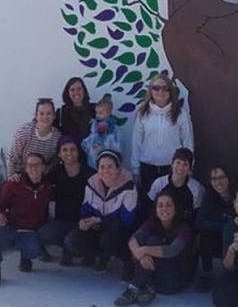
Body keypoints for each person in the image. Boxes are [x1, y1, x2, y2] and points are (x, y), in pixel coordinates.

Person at [114, 191, 195, 307]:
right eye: (160, 205)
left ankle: (140, 285)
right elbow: (133, 239)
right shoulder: (152, 222)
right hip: (155, 269)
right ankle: (141, 286)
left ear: (176, 208)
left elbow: (173, 250)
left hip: (175, 276)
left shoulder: (184, 228)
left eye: (168, 205)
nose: (164, 209)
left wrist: (145, 250)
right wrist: (141, 255)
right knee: (152, 240)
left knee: (152, 243)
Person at [65, 149, 138, 276]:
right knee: (73, 240)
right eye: (102, 167)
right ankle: (102, 255)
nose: (106, 171)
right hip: (98, 227)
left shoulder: (128, 187)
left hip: (120, 230)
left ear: (118, 168)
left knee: (108, 240)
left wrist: (100, 220)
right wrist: (84, 222)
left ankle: (128, 261)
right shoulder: (92, 183)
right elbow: (86, 210)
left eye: (110, 167)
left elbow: (127, 221)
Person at [0, 152, 53, 287]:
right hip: (11, 227)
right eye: (29, 165)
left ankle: (26, 256)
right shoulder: (13, 184)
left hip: (31, 231)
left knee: (34, 251)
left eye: (37, 165)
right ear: (25, 168)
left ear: (43, 167)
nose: (33, 168)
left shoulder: (47, 187)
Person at [131, 73, 194, 205]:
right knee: (148, 206)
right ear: (151, 91)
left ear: (170, 91)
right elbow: (136, 143)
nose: (160, 91)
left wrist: (188, 167)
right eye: (156, 88)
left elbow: (188, 142)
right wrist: (135, 169)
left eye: (165, 88)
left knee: (170, 206)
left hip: (172, 169)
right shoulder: (143, 113)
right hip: (147, 168)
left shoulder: (180, 113)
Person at [39, 137, 96, 266]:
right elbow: (39, 184)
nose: (69, 153)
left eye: (72, 150)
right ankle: (67, 249)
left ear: (78, 152)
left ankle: (89, 251)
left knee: (74, 241)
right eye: (64, 150)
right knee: (44, 233)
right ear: (59, 154)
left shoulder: (90, 173)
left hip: (85, 223)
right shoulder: (55, 172)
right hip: (63, 221)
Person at [194, 165, 234, 292]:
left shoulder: (237, 195)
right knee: (205, 236)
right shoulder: (209, 197)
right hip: (217, 238)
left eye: (222, 177)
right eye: (214, 179)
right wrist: (226, 225)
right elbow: (199, 222)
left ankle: (231, 274)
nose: (218, 182)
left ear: (228, 179)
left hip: (235, 239)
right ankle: (207, 274)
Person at [146, 147, 204, 225]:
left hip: (183, 228)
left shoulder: (196, 188)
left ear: (190, 168)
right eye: (178, 163)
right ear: (172, 164)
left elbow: (195, 215)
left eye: (185, 165)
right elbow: (149, 208)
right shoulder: (159, 183)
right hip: (159, 225)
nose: (180, 168)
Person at [6, 98, 62, 177]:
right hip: (20, 175)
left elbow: (54, 161)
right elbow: (12, 157)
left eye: (49, 113)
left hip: (41, 177)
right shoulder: (25, 132)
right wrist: (12, 176)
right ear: (36, 116)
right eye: (41, 114)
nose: (45, 117)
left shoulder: (57, 137)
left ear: (54, 116)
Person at [81, 97, 120, 168]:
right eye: (97, 113)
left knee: (98, 157)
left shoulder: (104, 123)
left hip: (102, 143)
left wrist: (98, 142)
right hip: (100, 142)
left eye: (100, 113)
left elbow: (100, 134)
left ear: (108, 113)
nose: (97, 115)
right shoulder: (100, 122)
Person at [56, 77, 95, 145]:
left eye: (79, 89)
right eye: (72, 90)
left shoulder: (95, 109)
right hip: (70, 153)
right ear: (68, 92)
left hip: (91, 152)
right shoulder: (61, 112)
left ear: (84, 90)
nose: (76, 92)